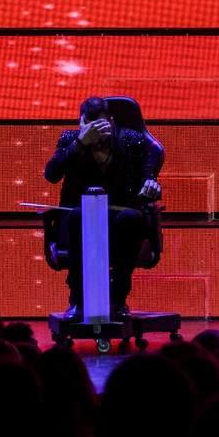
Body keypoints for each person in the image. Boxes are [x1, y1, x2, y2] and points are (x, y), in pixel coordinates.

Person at [43, 97, 163, 318]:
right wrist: (80, 142)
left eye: (101, 124)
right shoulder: (70, 140)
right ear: (81, 123)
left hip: (119, 219)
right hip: (79, 218)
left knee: (131, 219)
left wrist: (152, 185)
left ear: (110, 121)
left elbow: (149, 176)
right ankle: (77, 301)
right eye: (90, 126)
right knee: (79, 217)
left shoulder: (130, 141)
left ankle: (118, 301)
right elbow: (51, 174)